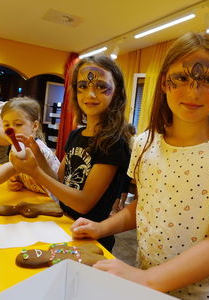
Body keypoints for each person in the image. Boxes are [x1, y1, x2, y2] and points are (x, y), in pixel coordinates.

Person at [70, 32, 209, 299]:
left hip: (204, 294)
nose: (194, 92)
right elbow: (144, 206)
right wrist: (101, 227)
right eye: (182, 78)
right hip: (149, 284)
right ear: (165, 82)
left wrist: (147, 280)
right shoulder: (145, 142)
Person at [9, 55, 131, 252]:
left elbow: (84, 203)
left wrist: (35, 172)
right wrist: (38, 155)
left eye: (101, 87)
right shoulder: (76, 135)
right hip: (65, 226)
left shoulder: (113, 143)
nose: (90, 94)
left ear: (116, 92)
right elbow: (59, 180)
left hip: (92, 239)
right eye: (82, 86)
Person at [0, 97, 60, 197]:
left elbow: (11, 167)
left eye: (18, 124)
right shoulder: (16, 147)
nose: (11, 129)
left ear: (34, 126)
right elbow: (16, 170)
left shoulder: (37, 150)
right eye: (6, 125)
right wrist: (16, 180)